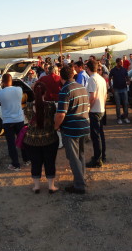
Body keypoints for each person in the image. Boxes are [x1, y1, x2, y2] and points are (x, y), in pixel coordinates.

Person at [55, 66, 90, 194]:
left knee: (73, 157)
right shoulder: (81, 87)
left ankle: (79, 185)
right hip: (84, 126)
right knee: (80, 155)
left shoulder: (65, 90)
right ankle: (81, 178)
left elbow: (61, 114)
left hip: (71, 128)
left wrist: (56, 126)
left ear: (61, 77)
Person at [23, 82, 60, 193]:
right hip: (49, 139)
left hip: (32, 141)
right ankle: (51, 186)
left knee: (35, 163)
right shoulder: (51, 105)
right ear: (45, 92)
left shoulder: (27, 107)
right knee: (50, 162)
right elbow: (55, 119)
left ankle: (36, 186)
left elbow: (26, 122)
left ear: (34, 92)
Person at [0, 73, 28, 171]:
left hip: (8, 121)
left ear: (3, 82)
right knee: (22, 140)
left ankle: (16, 164)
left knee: (11, 144)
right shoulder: (19, 89)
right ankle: (26, 159)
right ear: (11, 80)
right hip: (19, 119)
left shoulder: (0, 93)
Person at [85, 60, 108, 168]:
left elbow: (92, 97)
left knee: (95, 136)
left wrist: (88, 108)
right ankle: (102, 155)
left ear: (88, 68)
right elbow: (105, 95)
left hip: (95, 110)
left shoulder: (92, 79)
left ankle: (97, 159)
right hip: (102, 109)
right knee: (101, 134)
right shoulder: (101, 78)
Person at [109, 58, 130, 124]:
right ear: (117, 62)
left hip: (124, 89)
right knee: (118, 105)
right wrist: (111, 88)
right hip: (116, 90)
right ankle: (119, 118)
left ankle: (125, 117)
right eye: (121, 62)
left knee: (125, 104)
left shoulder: (124, 70)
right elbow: (109, 79)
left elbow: (127, 78)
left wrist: (128, 81)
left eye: (122, 62)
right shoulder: (113, 70)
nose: (122, 63)